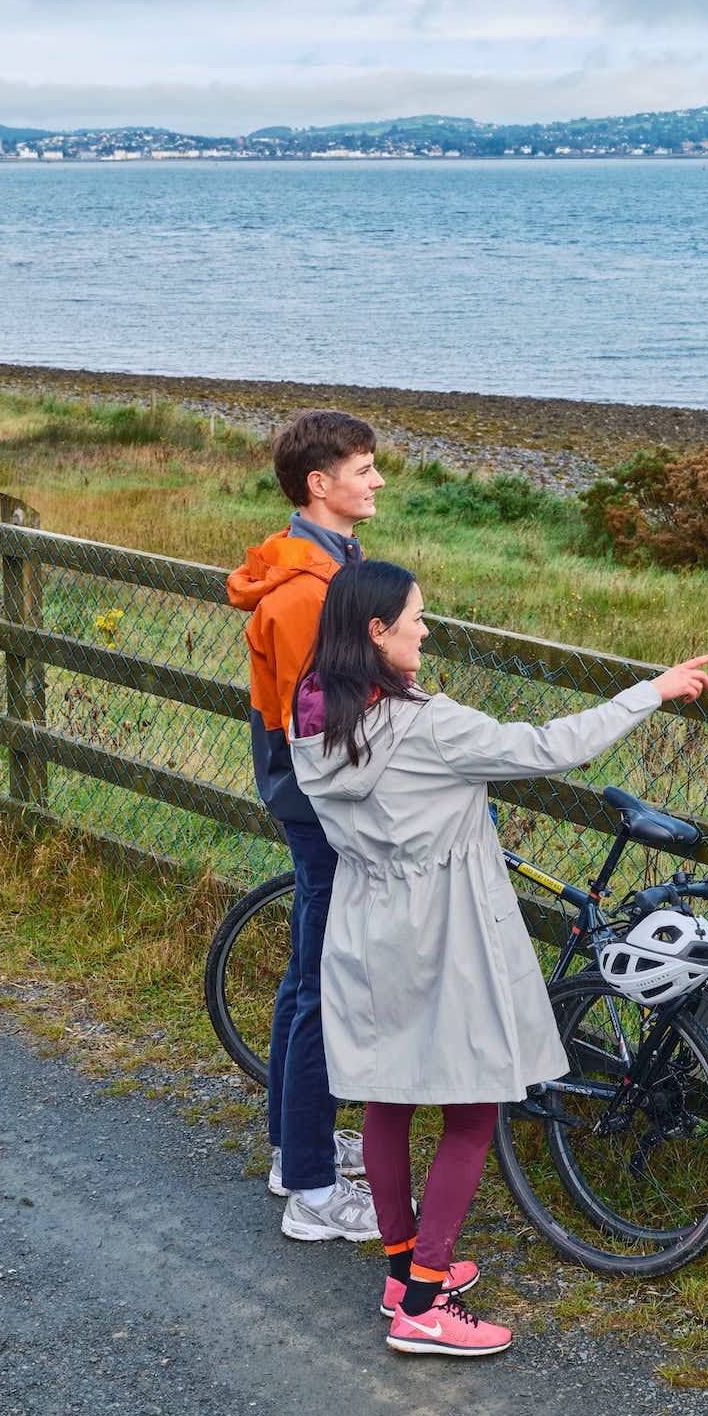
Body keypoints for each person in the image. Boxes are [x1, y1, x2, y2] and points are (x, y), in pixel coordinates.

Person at [289, 560, 708, 1358]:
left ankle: (399, 1271)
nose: (427, 629)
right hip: (443, 939)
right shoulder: (427, 725)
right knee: (473, 1110)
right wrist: (648, 692)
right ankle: (423, 1302)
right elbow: (548, 747)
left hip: (364, 925)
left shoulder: (313, 717)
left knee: (387, 1099)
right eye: (416, 618)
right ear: (376, 632)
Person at [226, 410, 386, 1243]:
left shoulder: (333, 566)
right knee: (323, 984)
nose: (378, 481)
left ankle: (297, 1148)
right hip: (320, 802)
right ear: (319, 484)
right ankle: (314, 1196)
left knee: (307, 973)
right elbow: (314, 728)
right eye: (364, 469)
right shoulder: (299, 596)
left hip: (312, 795)